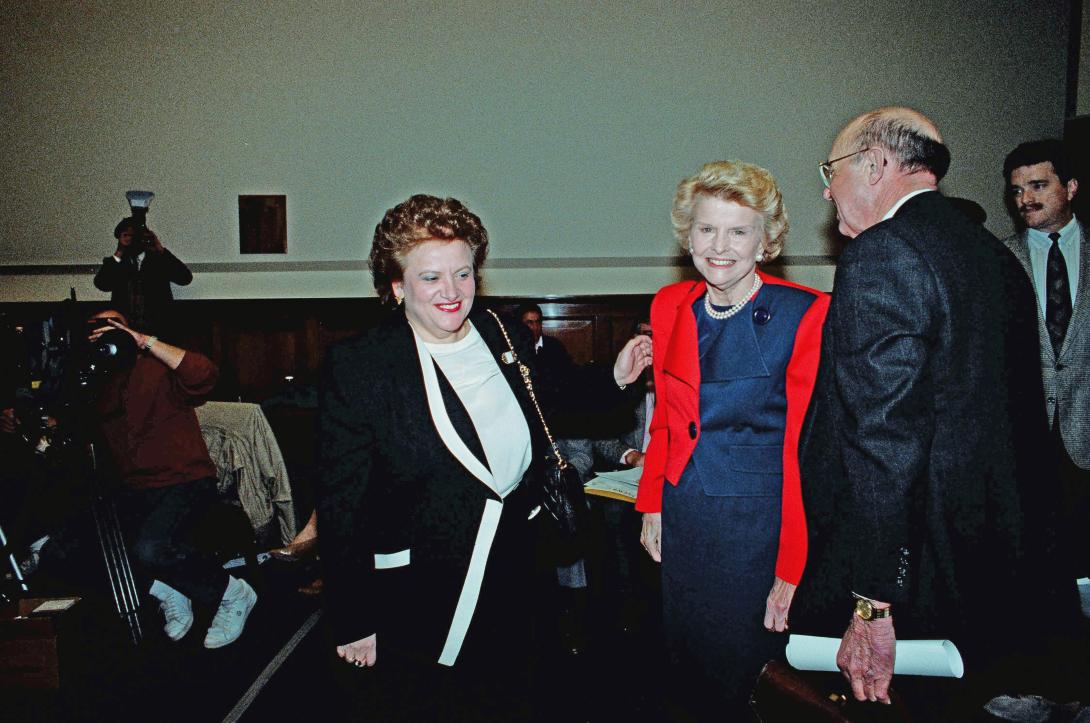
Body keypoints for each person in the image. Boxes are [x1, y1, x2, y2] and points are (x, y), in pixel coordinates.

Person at [316, 194, 651, 720]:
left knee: (516, 696)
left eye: (463, 274)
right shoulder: (361, 366)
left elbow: (554, 398)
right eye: (430, 278)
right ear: (397, 285)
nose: (452, 293)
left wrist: (614, 376)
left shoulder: (503, 333)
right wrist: (353, 618)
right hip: (425, 588)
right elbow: (342, 505)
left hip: (519, 569)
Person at [793, 107, 1078, 716]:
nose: (826, 187)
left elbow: (883, 443)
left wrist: (872, 604)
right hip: (995, 571)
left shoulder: (882, 255)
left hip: (919, 578)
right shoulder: (995, 258)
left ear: (875, 165)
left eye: (832, 169)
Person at [635, 160, 829, 718]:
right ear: (687, 235)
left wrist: (792, 567)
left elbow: (804, 454)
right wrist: (652, 501)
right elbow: (667, 419)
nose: (719, 245)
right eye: (706, 229)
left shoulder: (807, 314)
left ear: (765, 241)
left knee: (744, 676)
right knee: (686, 667)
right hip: (684, 516)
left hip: (756, 532)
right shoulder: (670, 306)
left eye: (738, 231)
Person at [86, 309, 258, 649]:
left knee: (151, 548)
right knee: (76, 544)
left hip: (185, 480)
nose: (105, 331)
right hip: (135, 487)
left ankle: (231, 593)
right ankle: (172, 590)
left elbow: (204, 374)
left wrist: (141, 340)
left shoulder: (155, 366)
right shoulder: (95, 380)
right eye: (96, 327)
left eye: (113, 324)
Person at [1002, 140, 1089, 578]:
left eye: (1038, 185)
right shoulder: (998, 258)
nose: (1026, 199)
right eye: (1017, 190)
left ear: (1070, 187)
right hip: (1026, 434)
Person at [93, 217, 192, 335]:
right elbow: (102, 284)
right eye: (127, 236)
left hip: (158, 331)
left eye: (136, 236)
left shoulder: (159, 260)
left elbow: (185, 278)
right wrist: (119, 251)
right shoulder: (117, 263)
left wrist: (160, 249)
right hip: (126, 331)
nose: (133, 240)